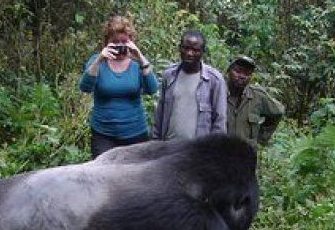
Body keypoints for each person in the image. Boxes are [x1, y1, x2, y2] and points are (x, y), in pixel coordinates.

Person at [79, 15, 159, 158]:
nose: (120, 46)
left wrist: (141, 59)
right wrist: (99, 60)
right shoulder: (97, 62)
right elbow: (85, 87)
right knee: (103, 177)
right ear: (106, 42)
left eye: (124, 42)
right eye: (115, 42)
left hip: (135, 132)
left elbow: (152, 89)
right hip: (103, 134)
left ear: (131, 41)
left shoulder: (137, 64)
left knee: (136, 178)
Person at [151, 30, 227, 141]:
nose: (189, 53)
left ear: (202, 52)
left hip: (197, 151)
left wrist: (214, 152)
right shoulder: (169, 75)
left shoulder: (214, 80)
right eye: (186, 48)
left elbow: (219, 121)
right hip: (168, 148)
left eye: (195, 50)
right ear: (180, 48)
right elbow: (160, 114)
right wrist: (155, 142)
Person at [225, 55, 284, 148]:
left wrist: (260, 140)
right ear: (228, 71)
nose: (242, 76)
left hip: (245, 155)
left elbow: (278, 112)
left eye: (247, 73)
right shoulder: (217, 92)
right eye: (238, 71)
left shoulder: (258, 96)